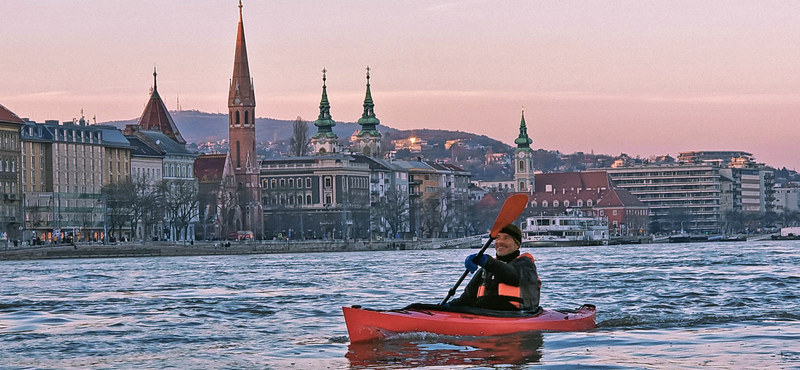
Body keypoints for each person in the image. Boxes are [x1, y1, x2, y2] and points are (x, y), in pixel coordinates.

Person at [448, 224, 541, 311]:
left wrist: (486, 261)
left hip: (516, 315)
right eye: (497, 238)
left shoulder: (526, 265)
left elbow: (512, 275)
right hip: (486, 315)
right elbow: (467, 299)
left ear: (517, 245)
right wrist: (444, 308)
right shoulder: (486, 269)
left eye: (506, 238)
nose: (500, 242)